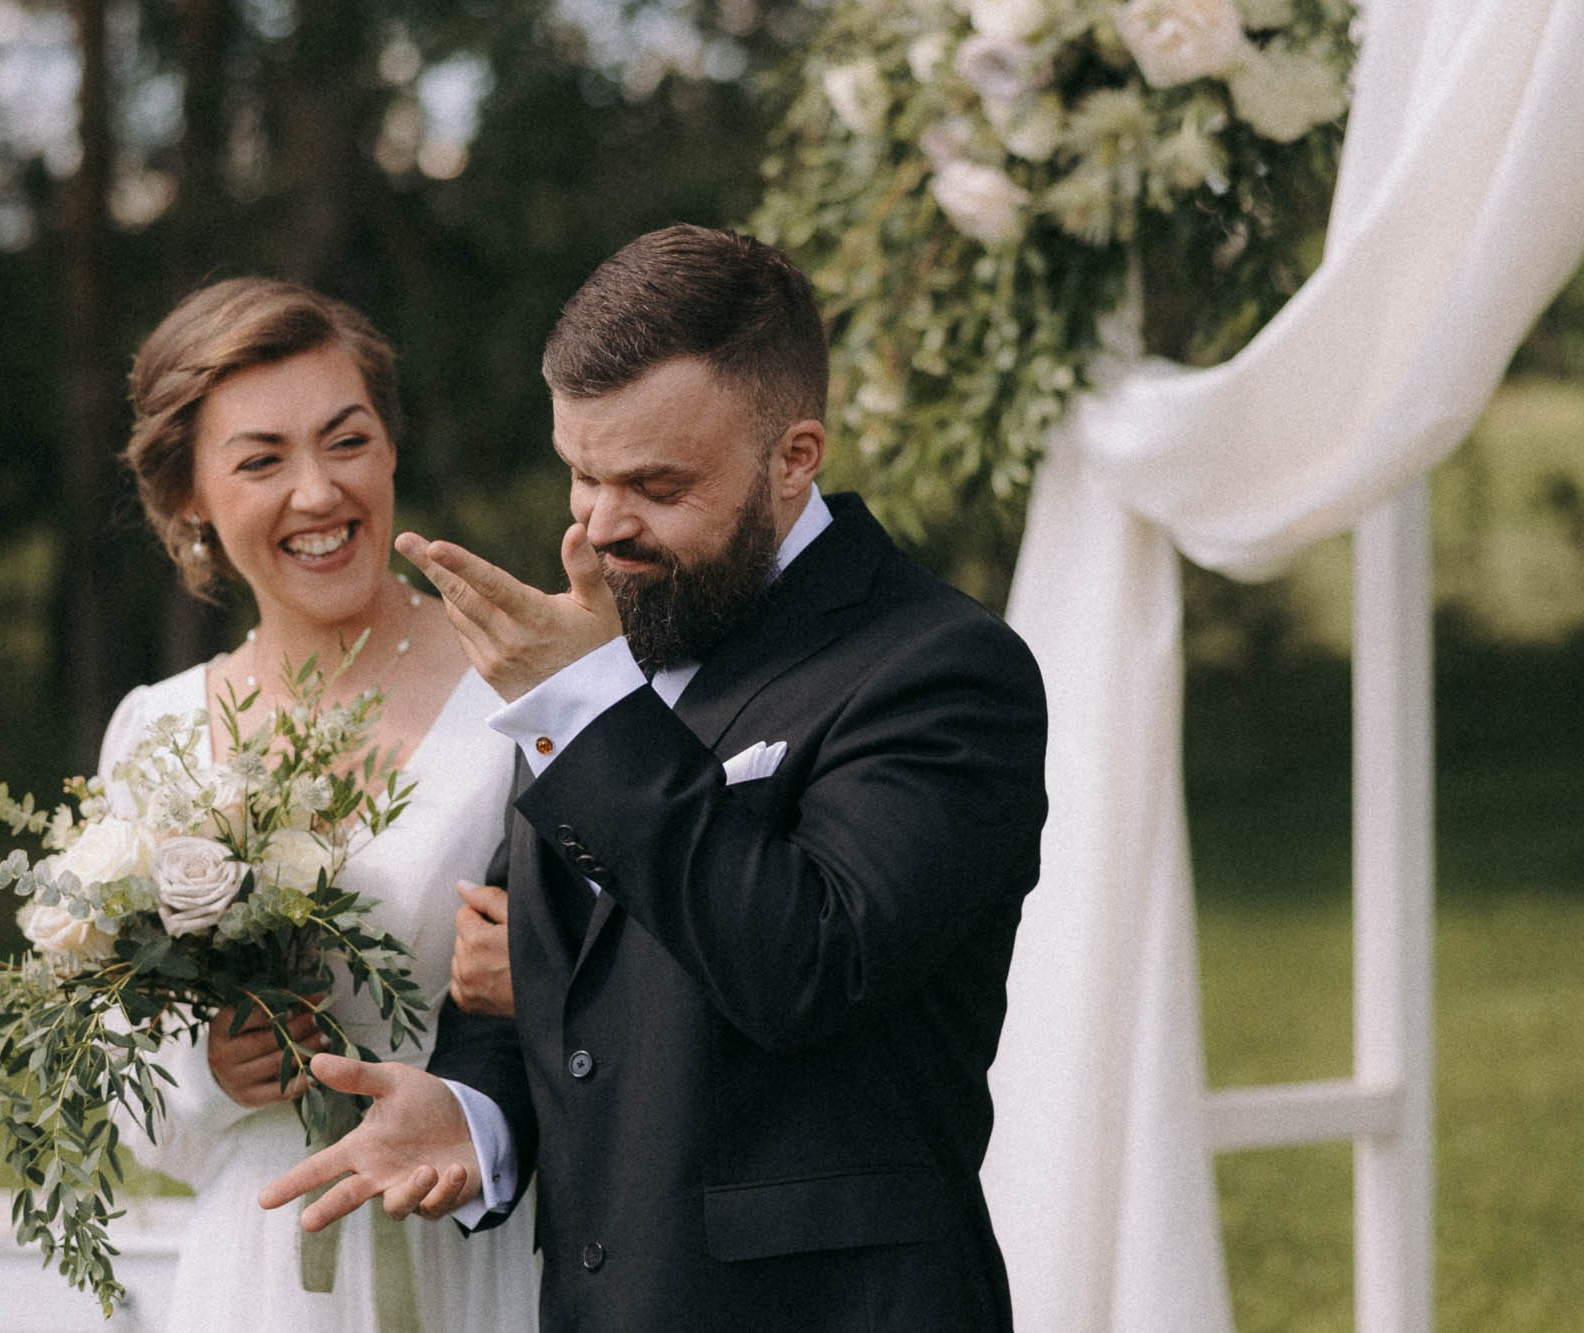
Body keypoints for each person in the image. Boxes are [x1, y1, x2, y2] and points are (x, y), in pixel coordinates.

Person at [258, 226, 1050, 1330]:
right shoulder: (617, 640)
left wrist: (580, 711)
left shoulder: (941, 670)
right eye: (580, 473)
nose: (597, 524)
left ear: (793, 455)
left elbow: (804, 961)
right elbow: (536, 950)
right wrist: (474, 1110)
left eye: (653, 483)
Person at [99, 277, 540, 1331]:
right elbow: (115, 1075)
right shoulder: (155, 734)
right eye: (261, 459)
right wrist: (207, 1067)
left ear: (389, 448)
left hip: (485, 1254)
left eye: (345, 441)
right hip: (263, 1268)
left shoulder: (522, 687)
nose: (316, 493)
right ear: (189, 496)